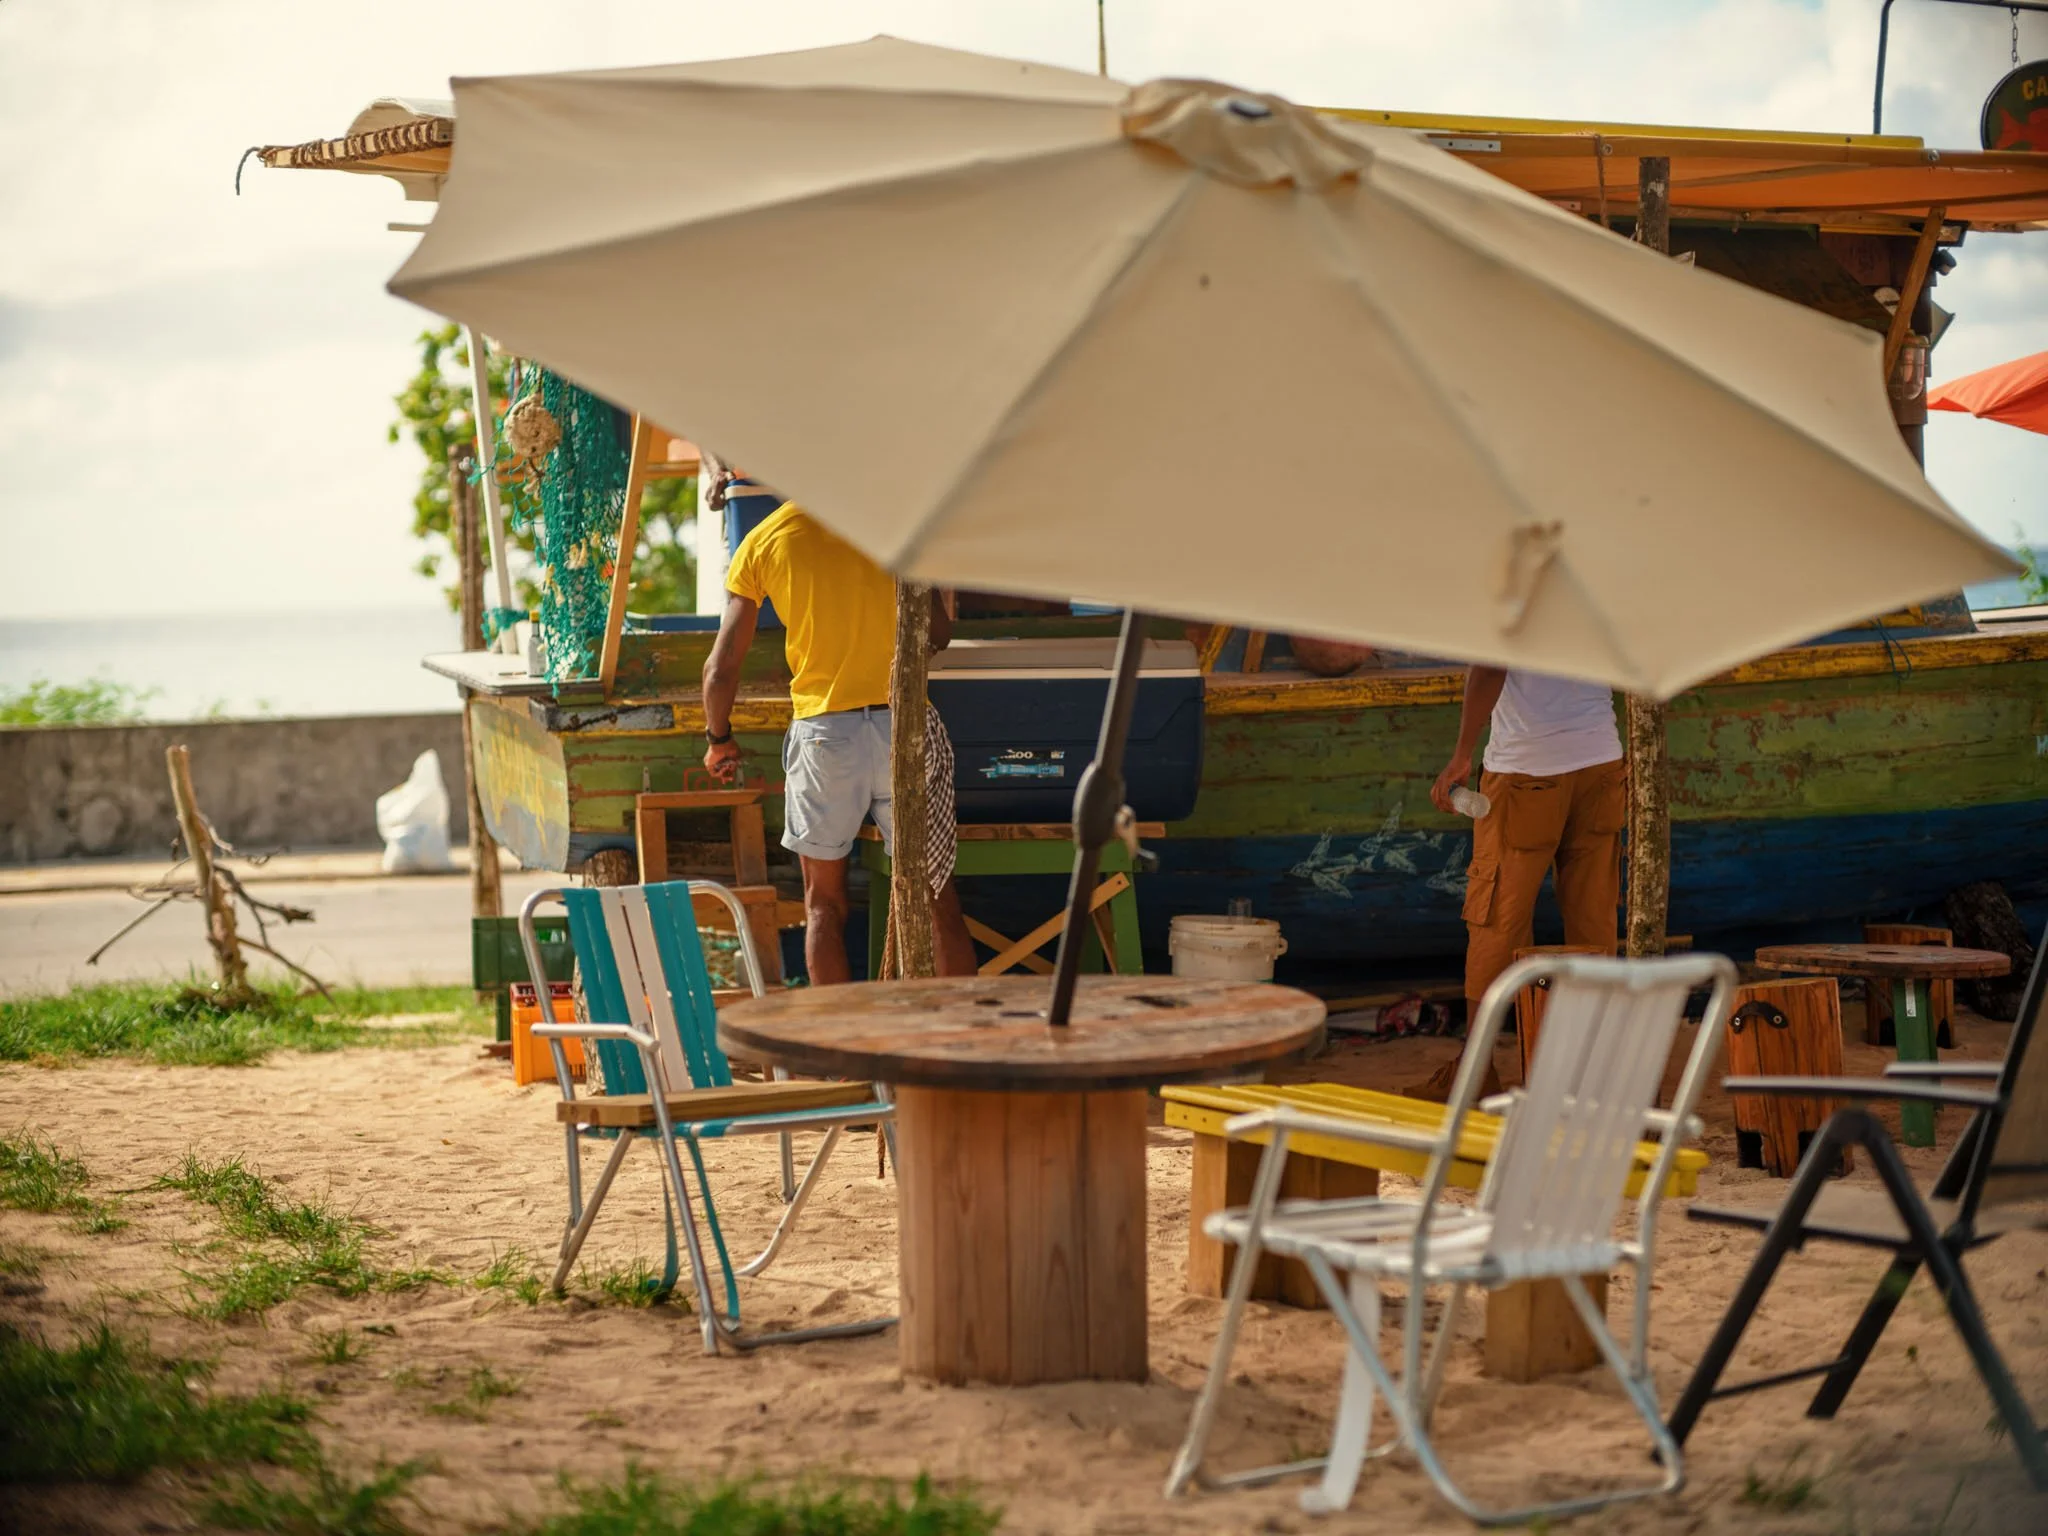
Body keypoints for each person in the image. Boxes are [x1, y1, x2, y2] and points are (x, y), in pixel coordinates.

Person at [701, 498, 976, 983]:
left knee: (823, 905)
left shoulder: (764, 540)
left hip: (825, 738)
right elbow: (938, 633)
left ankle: (837, 1036)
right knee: (936, 897)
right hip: (903, 727)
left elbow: (720, 670)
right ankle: (955, 1030)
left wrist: (718, 739)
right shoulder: (893, 520)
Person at [1429, 667, 1625, 1012]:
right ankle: (1597, 1039)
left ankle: (1482, 1047)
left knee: (1498, 916)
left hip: (1525, 767)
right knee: (1594, 913)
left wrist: (1461, 756)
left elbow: (1490, 668)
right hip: (1602, 762)